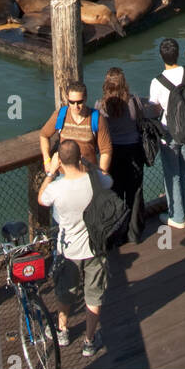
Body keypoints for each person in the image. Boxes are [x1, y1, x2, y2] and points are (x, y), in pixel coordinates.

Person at [37, 138, 112, 357]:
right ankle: (89, 341)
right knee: (94, 295)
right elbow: (109, 180)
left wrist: (51, 173)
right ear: (80, 158)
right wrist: (90, 166)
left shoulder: (57, 188)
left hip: (68, 250)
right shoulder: (95, 179)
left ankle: (62, 331)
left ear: (59, 160)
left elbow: (42, 198)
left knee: (65, 292)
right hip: (95, 248)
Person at [149, 37, 185, 228]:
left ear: (162, 57)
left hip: (168, 131)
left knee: (172, 173)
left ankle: (176, 215)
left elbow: (154, 107)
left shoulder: (157, 81)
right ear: (178, 54)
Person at [95, 68, 145, 245]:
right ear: (124, 84)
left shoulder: (100, 107)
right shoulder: (133, 102)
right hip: (133, 151)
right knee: (134, 192)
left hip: (111, 153)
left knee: (113, 193)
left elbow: (97, 131)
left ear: (105, 85)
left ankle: (113, 234)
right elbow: (140, 121)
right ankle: (133, 233)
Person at [39, 81, 113, 175]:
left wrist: (102, 175)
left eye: (79, 102)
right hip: (63, 175)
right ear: (67, 99)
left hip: (88, 175)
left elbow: (106, 150)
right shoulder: (61, 115)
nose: (75, 106)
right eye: (72, 102)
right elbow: (44, 135)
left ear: (85, 98)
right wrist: (47, 160)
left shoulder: (97, 118)